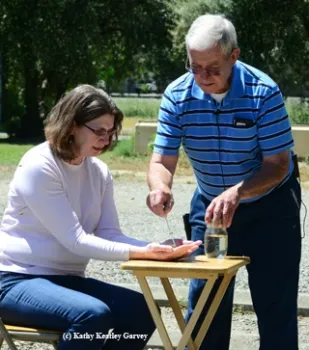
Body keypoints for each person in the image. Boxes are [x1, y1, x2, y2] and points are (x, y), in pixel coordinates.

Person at [0, 84, 202, 350]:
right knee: (92, 315)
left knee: (142, 310)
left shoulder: (99, 171)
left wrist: (159, 248)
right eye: (99, 131)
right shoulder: (39, 165)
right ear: (72, 125)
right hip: (15, 279)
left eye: (110, 132)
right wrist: (147, 253)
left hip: (67, 280)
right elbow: (76, 240)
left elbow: (109, 234)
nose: (106, 139)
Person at [146, 13, 301, 350]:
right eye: (194, 66)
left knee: (275, 308)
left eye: (213, 68)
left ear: (234, 56)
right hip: (211, 209)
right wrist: (161, 187)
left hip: (270, 209)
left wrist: (238, 191)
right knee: (205, 309)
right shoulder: (177, 94)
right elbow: (161, 160)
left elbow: (278, 165)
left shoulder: (263, 92)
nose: (202, 77)